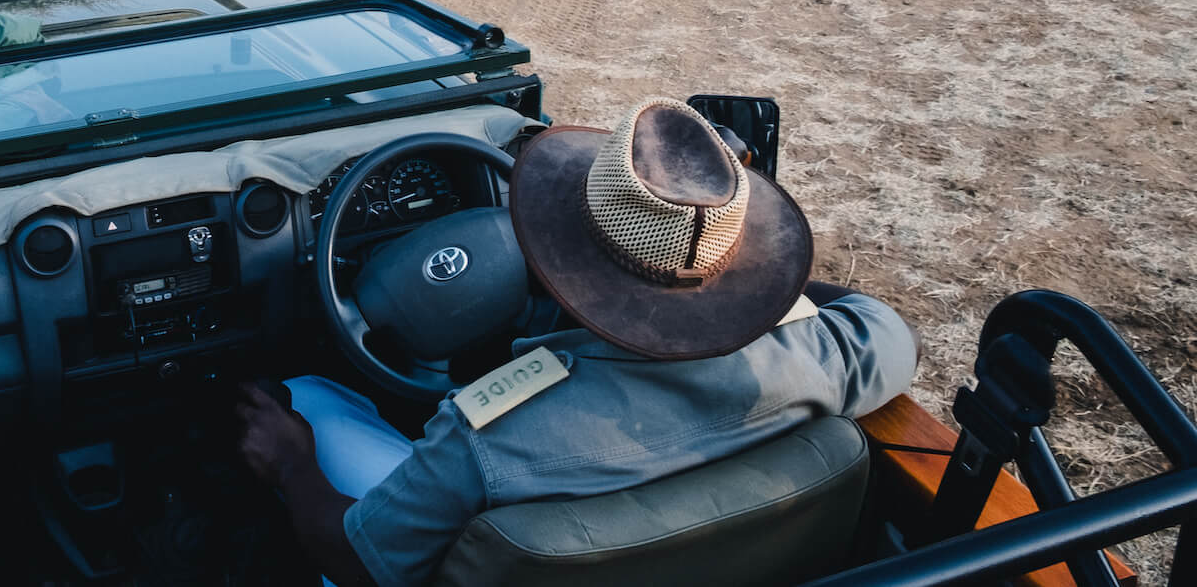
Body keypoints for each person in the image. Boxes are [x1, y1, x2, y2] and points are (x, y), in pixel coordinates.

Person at [236, 97, 918, 587]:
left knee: (309, 397)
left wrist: (292, 464)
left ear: (559, 256)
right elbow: (884, 324)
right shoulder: (825, 358)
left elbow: (355, 559)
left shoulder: (485, 438)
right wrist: (756, 290)